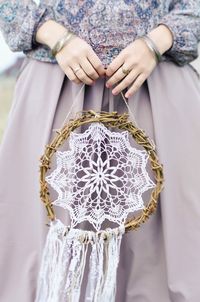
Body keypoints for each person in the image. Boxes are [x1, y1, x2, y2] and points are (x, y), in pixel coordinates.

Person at [0, 1, 200, 301]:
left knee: (163, 258)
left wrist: (156, 41)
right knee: (47, 251)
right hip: (57, 84)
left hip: (158, 84)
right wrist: (55, 36)